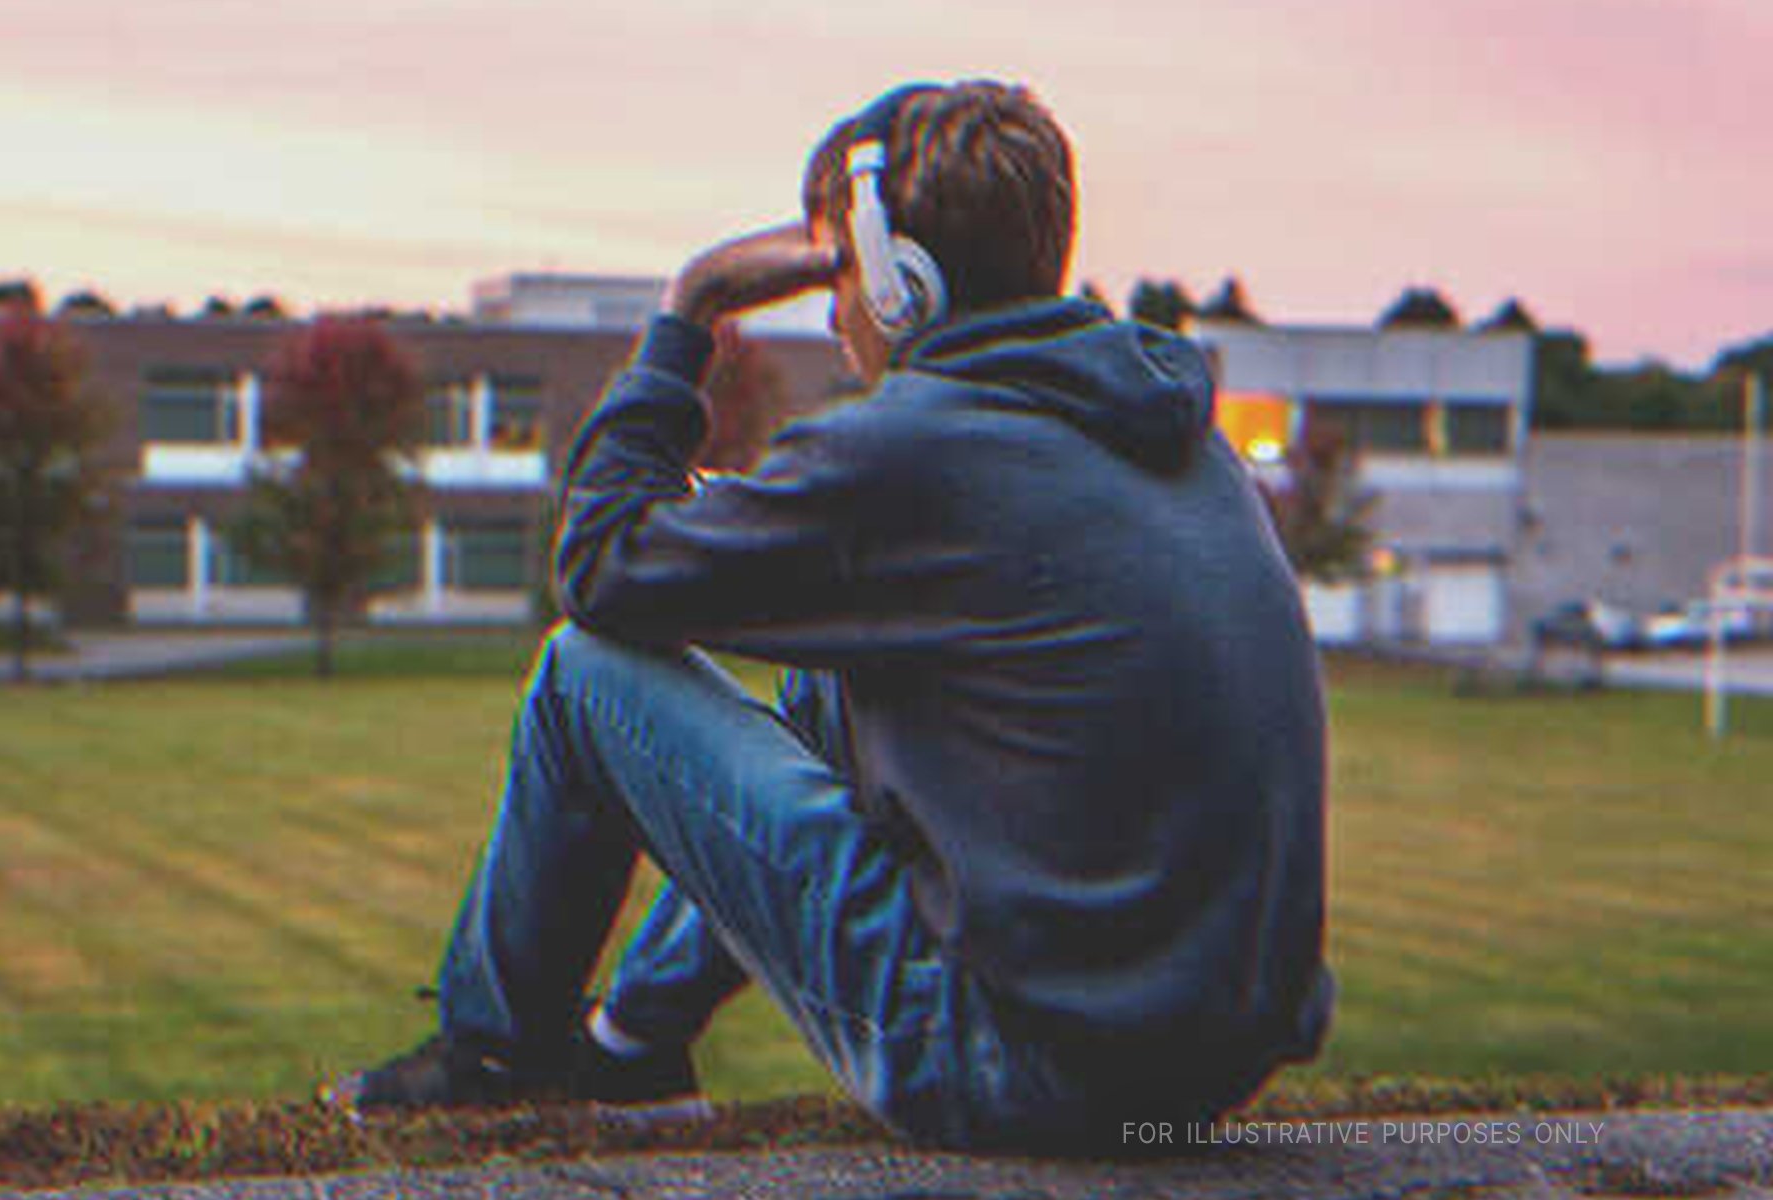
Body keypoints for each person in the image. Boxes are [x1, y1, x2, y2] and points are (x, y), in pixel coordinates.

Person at [324, 79, 1333, 1151]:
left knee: (587, 675)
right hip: (1199, 1074)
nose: (834, 310)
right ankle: (631, 1049)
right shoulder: (1178, 434)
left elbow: (602, 564)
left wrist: (690, 310)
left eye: (836, 273)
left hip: (1016, 1074)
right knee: (828, 674)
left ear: (900, 281)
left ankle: (493, 1061)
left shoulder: (909, 445)